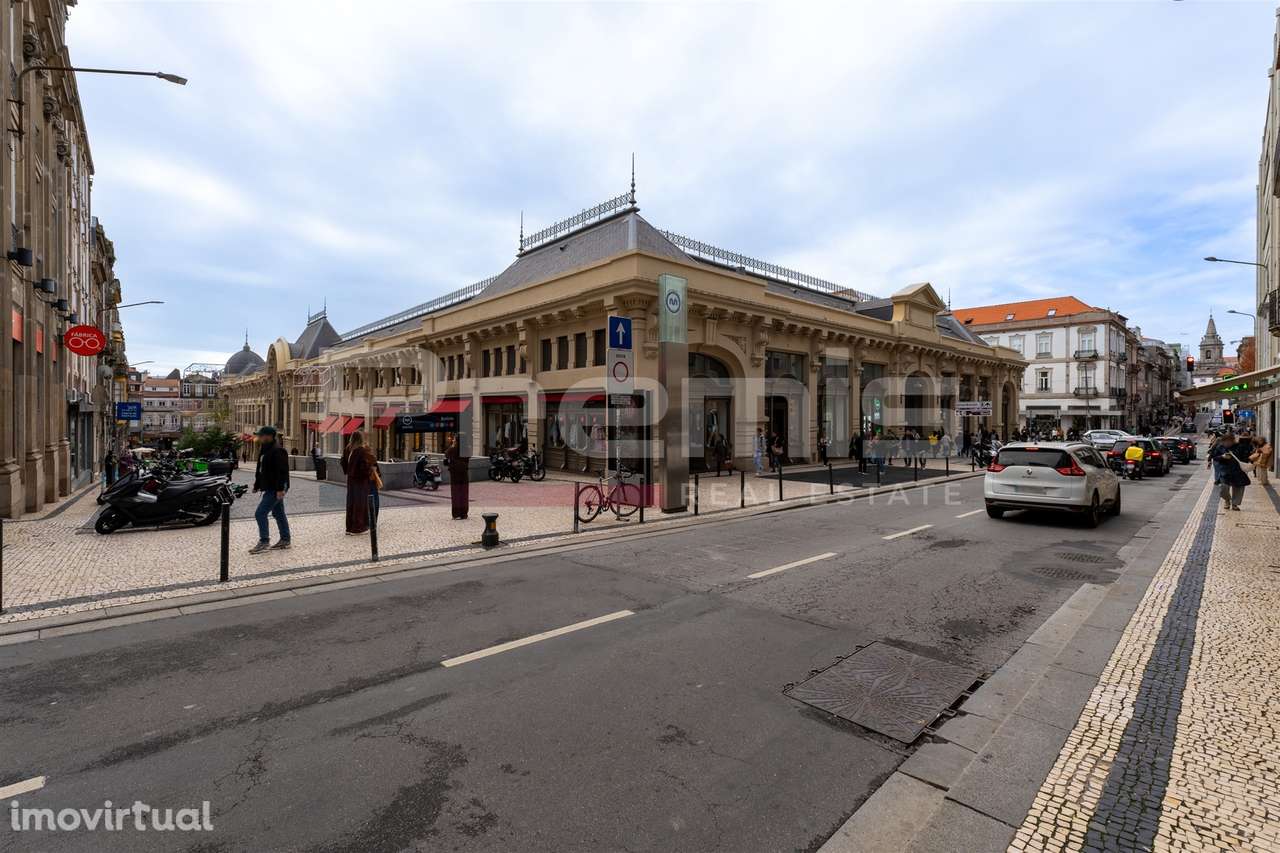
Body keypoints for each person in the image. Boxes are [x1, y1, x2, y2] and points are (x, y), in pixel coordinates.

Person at [250, 425, 291, 554]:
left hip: (276, 487)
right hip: (270, 486)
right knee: (278, 513)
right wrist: (257, 484)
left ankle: (264, 542)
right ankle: (285, 539)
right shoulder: (264, 449)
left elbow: (282, 472)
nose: (259, 437)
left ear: (269, 436)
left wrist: (280, 489)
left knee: (260, 513)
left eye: (261, 435)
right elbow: (261, 469)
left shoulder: (278, 450)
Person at [340, 431, 379, 535]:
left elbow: (342, 462)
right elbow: (363, 468)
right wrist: (370, 470)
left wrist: (349, 470)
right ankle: (358, 528)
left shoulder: (348, 449)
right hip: (360, 481)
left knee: (351, 503)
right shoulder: (361, 450)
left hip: (350, 480)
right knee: (360, 503)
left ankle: (349, 527)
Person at [1210, 433, 1249, 511]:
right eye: (1225, 442)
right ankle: (1227, 500)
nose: (1226, 443)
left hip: (1237, 471)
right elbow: (1214, 457)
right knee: (1223, 487)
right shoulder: (1220, 447)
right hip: (1225, 471)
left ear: (1232, 441)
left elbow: (1245, 458)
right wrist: (1222, 457)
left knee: (1238, 488)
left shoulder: (1239, 447)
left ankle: (1235, 504)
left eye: (1228, 441)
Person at [445, 434, 470, 520]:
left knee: (456, 493)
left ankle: (456, 514)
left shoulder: (453, 449)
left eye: (454, 439)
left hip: (455, 474)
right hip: (464, 473)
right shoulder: (467, 449)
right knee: (464, 493)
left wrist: (452, 445)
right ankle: (464, 513)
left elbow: (446, 454)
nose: (453, 440)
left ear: (457, 441)